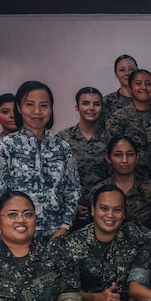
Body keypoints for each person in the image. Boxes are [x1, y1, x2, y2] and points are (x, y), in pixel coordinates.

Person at [0, 80, 80, 240]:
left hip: (56, 238)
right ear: (19, 107)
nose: (37, 111)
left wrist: (65, 227)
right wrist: (3, 234)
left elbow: (72, 191)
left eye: (43, 105)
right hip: (17, 237)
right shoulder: (5, 146)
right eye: (30, 104)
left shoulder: (62, 147)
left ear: (51, 109)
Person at [56, 87, 109, 229]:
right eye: (86, 103)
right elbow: (56, 178)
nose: (91, 108)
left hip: (105, 212)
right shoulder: (63, 138)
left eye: (96, 104)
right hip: (70, 215)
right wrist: (72, 206)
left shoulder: (110, 139)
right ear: (77, 107)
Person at [104, 68, 151, 183]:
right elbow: (112, 158)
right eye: (138, 83)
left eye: (148, 84)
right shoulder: (118, 120)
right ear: (130, 88)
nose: (143, 87)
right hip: (129, 185)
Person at [92, 135, 151, 232]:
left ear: (137, 157)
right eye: (118, 155)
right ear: (108, 158)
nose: (125, 160)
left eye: (130, 154)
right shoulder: (99, 191)